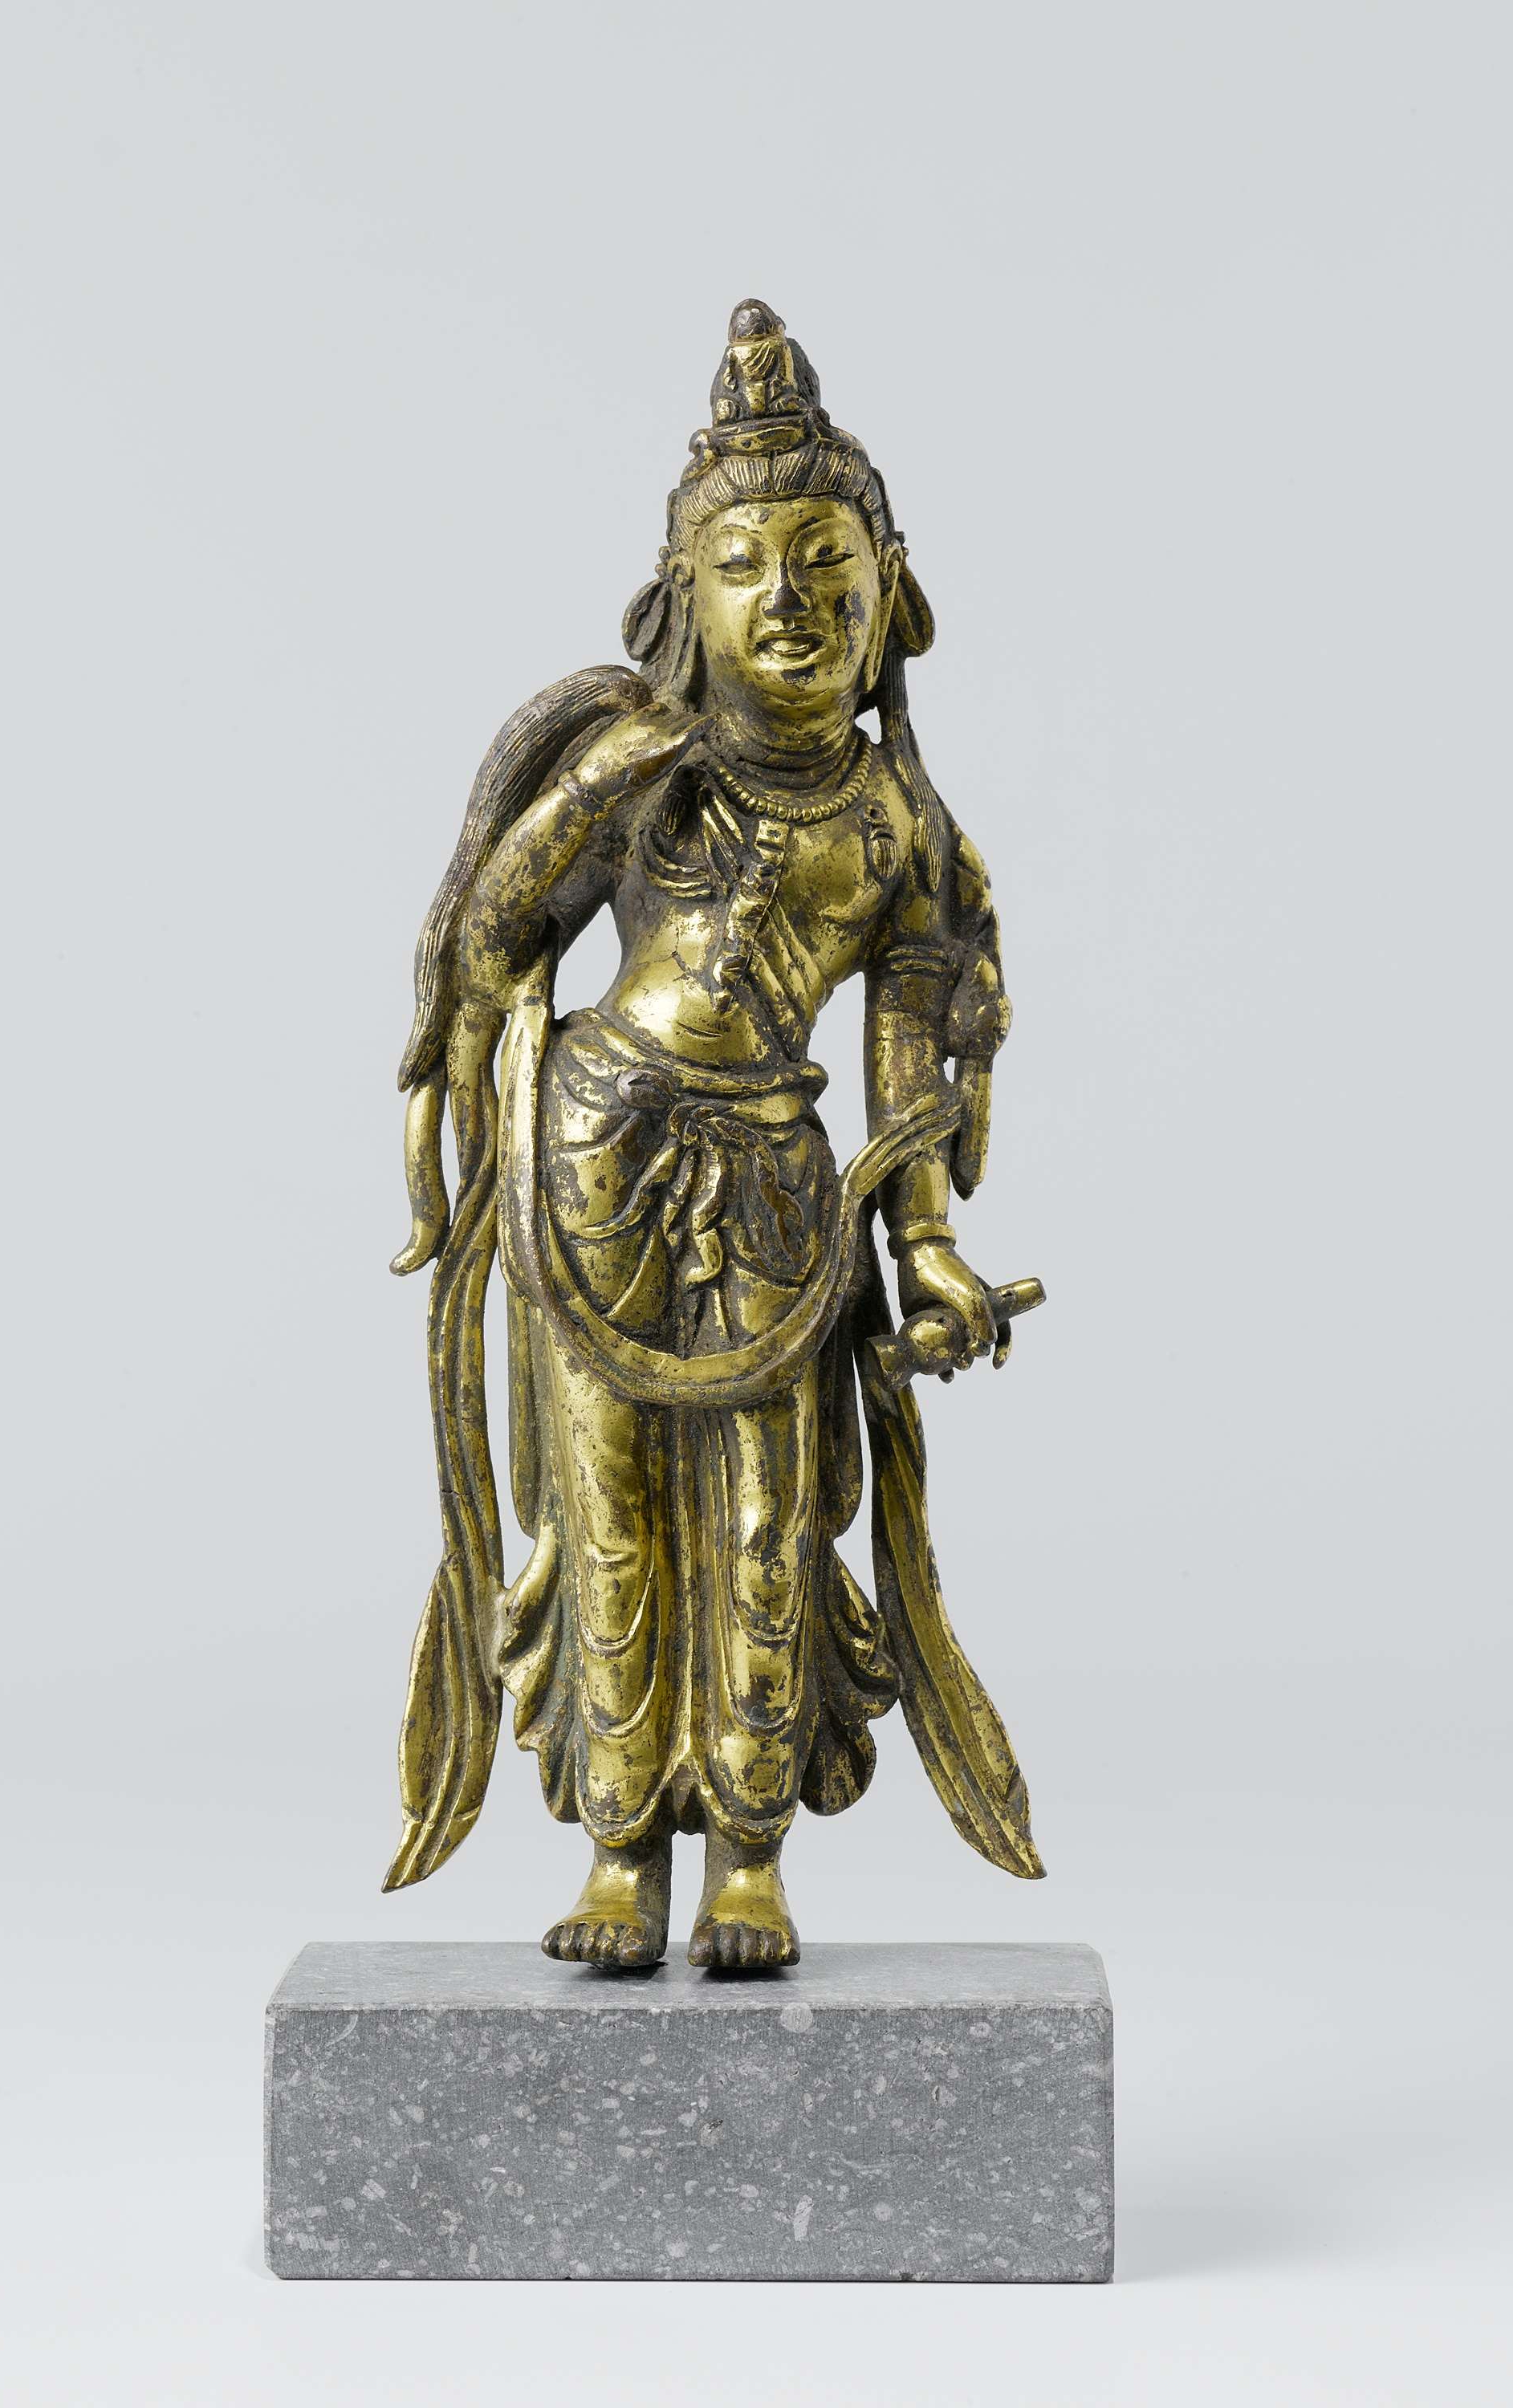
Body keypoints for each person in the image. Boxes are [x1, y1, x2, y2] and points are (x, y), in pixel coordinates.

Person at [384, 301, 1043, 1969]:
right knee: (604, 1507)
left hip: (779, 1191)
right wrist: (580, 811)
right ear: (684, 597)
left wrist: (931, 1248)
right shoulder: (644, 769)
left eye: (827, 563)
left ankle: (747, 1853)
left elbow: (910, 1073)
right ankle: (620, 1851)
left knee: (769, 1515)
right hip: (595, 1160)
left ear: (892, 589)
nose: (789, 601)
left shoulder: (896, 827)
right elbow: (496, 938)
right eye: (743, 566)